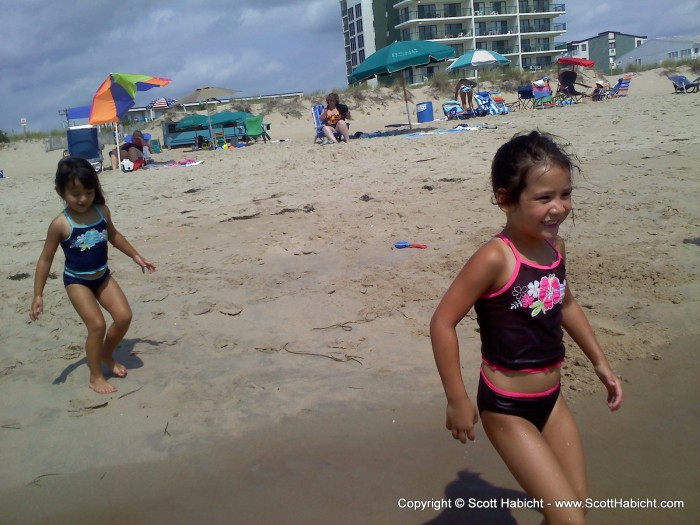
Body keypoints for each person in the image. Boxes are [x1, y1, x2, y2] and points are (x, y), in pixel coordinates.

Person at [430, 131, 623, 525]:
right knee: (571, 520)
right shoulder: (494, 258)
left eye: (565, 194)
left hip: (551, 399)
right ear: (505, 199)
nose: (558, 208)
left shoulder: (555, 249)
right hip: (506, 406)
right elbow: (442, 323)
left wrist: (600, 363)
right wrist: (457, 399)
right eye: (543, 198)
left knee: (575, 509)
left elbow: (566, 304)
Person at [30, 157, 156, 394]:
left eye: (88, 192)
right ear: (60, 191)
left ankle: (107, 355)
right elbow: (45, 259)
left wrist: (136, 256)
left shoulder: (101, 211)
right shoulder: (60, 224)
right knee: (97, 326)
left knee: (124, 317)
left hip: (102, 276)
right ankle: (95, 376)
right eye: (75, 193)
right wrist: (38, 294)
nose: (83, 199)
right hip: (77, 282)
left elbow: (114, 236)